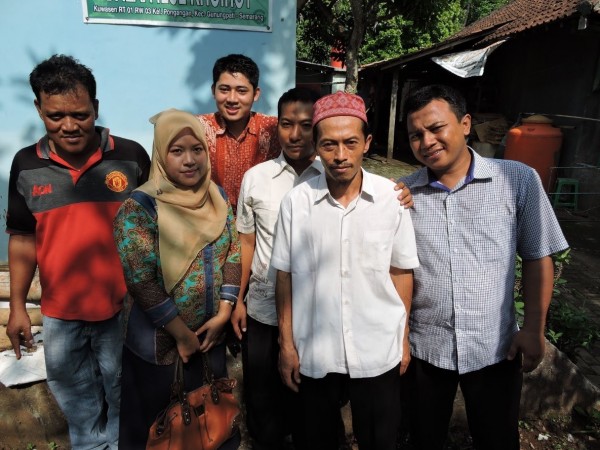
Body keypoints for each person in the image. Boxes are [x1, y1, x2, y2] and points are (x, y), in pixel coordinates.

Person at [400, 84, 569, 450]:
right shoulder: (403, 195)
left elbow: (539, 255)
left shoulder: (517, 180)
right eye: (416, 135)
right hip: (426, 348)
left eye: (436, 128)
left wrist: (535, 329)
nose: (426, 141)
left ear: (464, 124)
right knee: (423, 439)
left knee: (497, 439)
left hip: (495, 347)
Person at [5, 54, 150, 449]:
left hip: (124, 311)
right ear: (38, 109)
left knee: (125, 396)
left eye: (80, 114)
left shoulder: (131, 157)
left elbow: (153, 233)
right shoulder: (25, 164)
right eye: (55, 116)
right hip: (60, 315)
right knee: (77, 402)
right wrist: (18, 306)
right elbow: (21, 239)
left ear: (96, 108)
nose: (69, 125)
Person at [271, 91, 419, 450]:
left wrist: (402, 339)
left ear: (366, 143)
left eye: (350, 143)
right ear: (316, 146)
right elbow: (285, 276)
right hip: (315, 350)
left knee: (379, 440)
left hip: (377, 347)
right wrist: (286, 343)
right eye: (329, 145)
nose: (340, 156)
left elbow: (400, 272)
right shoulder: (297, 202)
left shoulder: (390, 199)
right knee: (316, 440)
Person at [113, 109, 241, 450]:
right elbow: (141, 282)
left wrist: (225, 311)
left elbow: (234, 253)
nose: (189, 160)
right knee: (158, 431)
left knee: (208, 424)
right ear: (160, 154)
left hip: (210, 336)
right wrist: (182, 335)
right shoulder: (140, 208)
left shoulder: (218, 197)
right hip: (160, 347)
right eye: (177, 150)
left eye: (196, 149)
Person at [197, 53, 280, 214]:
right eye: (224, 90)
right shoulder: (198, 128)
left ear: (255, 94)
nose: (232, 99)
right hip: (210, 225)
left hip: (261, 227)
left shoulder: (274, 129)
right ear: (214, 90)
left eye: (241, 91)